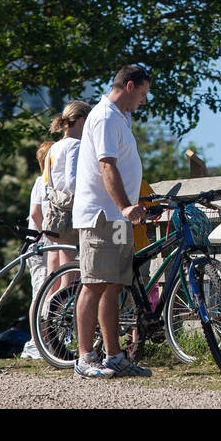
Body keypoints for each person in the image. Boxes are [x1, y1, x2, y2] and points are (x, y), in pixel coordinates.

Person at [71, 65, 154, 378]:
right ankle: (84, 358)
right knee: (93, 284)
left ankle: (114, 355)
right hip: (102, 215)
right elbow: (107, 166)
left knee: (114, 285)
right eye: (143, 93)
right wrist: (125, 206)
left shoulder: (121, 116)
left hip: (119, 218)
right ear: (129, 86)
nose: (144, 101)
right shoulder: (105, 116)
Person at [40, 100, 90, 305]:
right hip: (72, 215)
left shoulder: (54, 148)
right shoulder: (76, 146)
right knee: (69, 281)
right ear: (81, 121)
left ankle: (46, 316)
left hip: (56, 215)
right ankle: (53, 316)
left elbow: (47, 181)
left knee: (63, 275)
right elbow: (72, 182)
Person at [21, 140, 54, 361]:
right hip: (41, 245)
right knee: (40, 292)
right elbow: (35, 214)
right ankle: (35, 342)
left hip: (48, 245)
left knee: (51, 292)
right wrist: (47, 237)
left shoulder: (46, 182)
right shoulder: (42, 182)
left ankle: (48, 339)